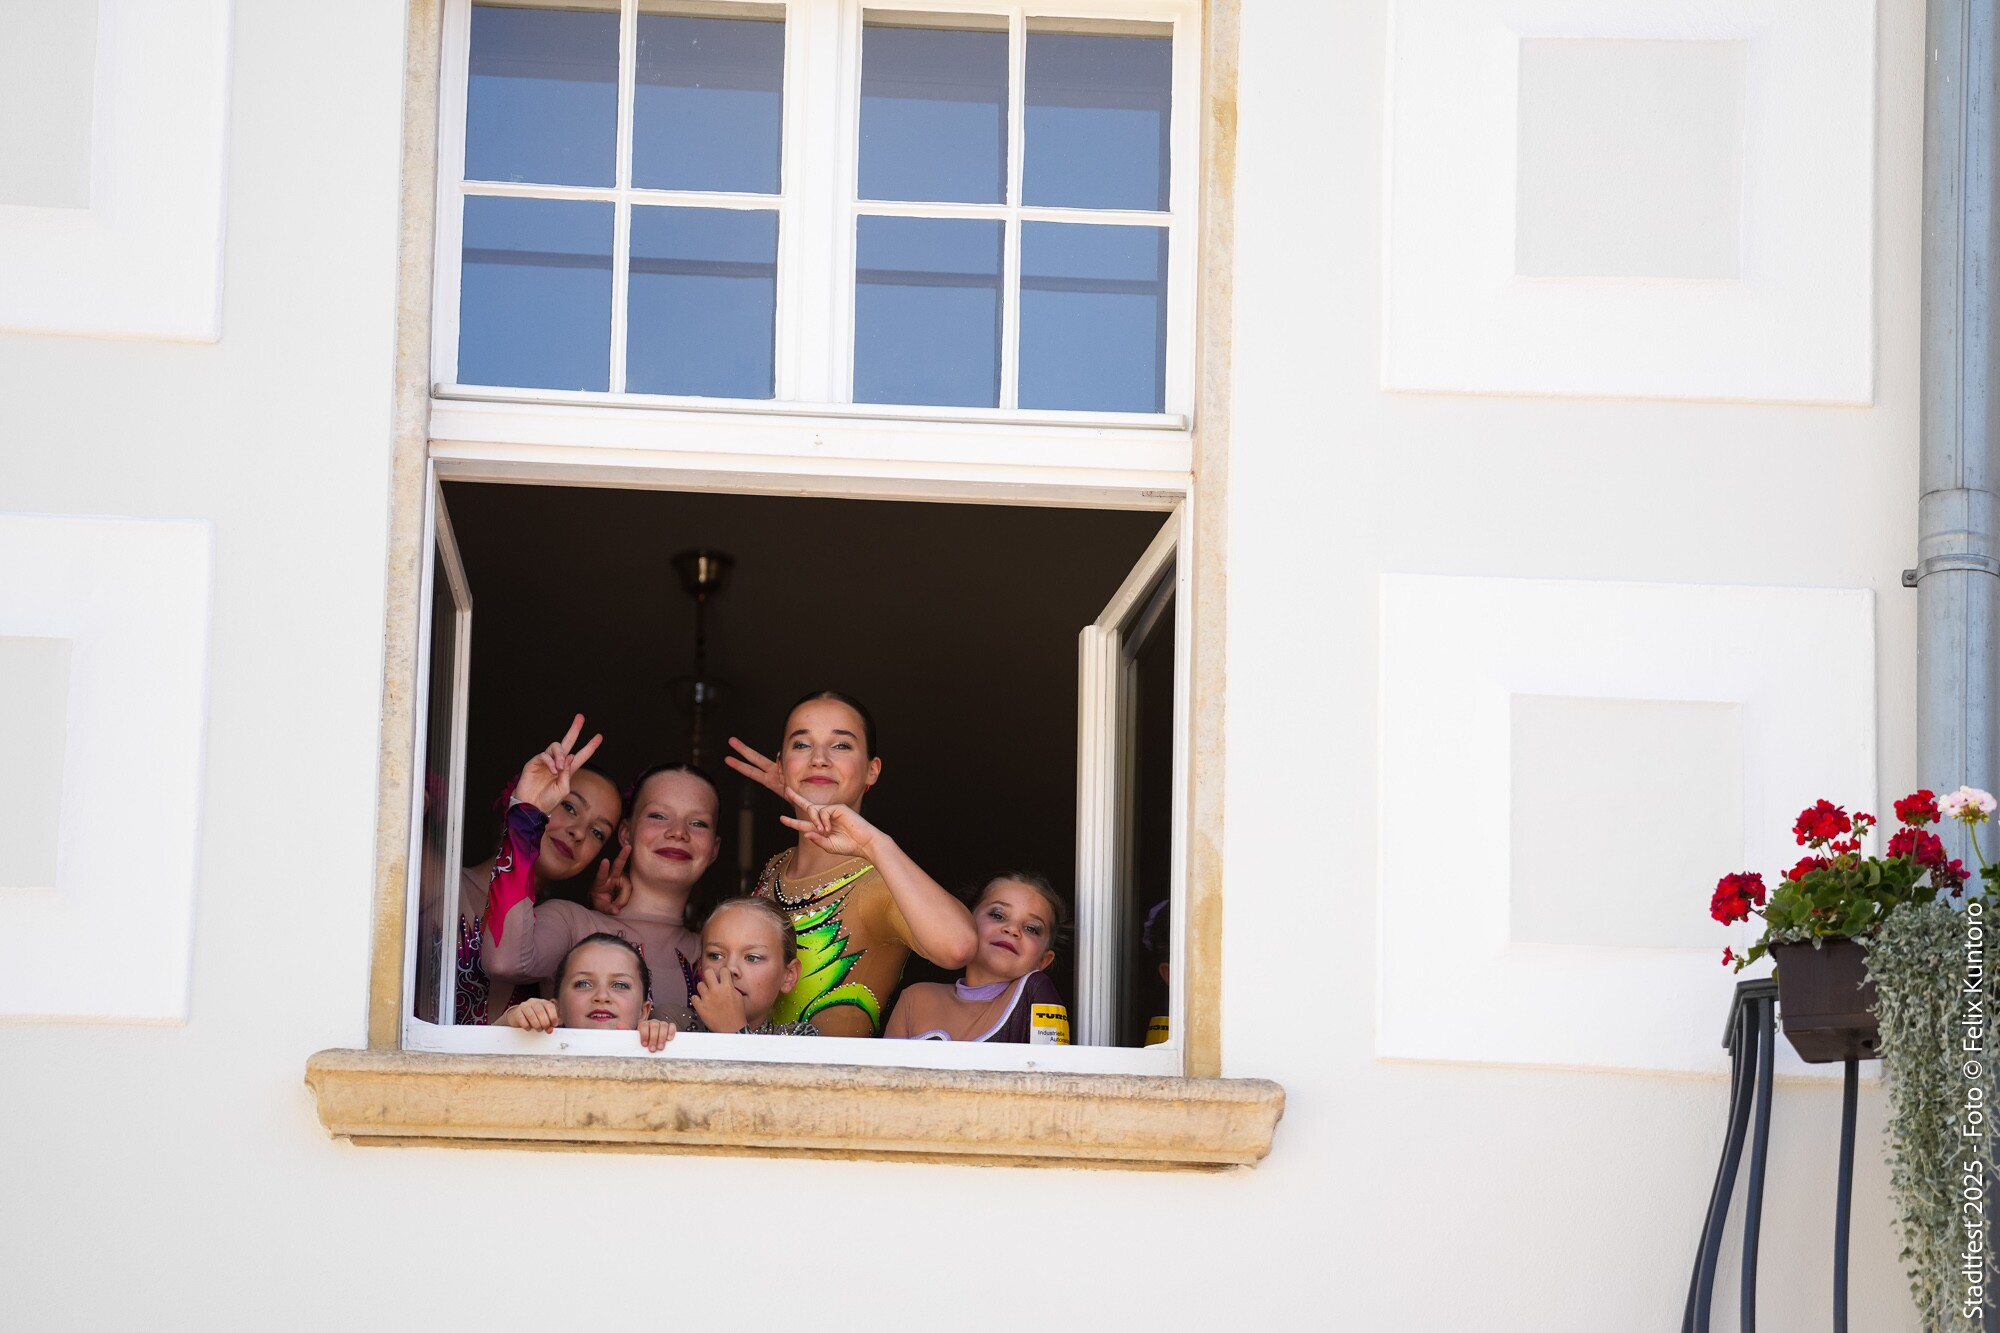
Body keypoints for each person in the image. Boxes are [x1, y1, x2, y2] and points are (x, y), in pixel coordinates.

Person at [725, 690, 975, 1036]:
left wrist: (874, 843)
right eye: (802, 745)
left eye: (841, 745)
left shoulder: (880, 882)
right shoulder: (775, 867)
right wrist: (803, 792)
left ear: (872, 771)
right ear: (780, 766)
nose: (819, 759)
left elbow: (958, 947)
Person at [483, 717, 719, 1022]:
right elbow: (503, 962)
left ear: (714, 849)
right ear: (626, 833)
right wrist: (526, 815)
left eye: (698, 823)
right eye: (658, 816)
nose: (678, 832)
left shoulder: (718, 953)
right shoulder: (571, 923)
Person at [447, 715, 623, 1024]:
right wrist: (526, 813)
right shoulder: (438, 884)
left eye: (597, 832)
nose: (579, 832)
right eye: (569, 807)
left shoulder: (563, 929)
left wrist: (604, 918)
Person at [884, 874, 1071, 1044]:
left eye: (1031, 928)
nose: (1012, 929)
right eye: (997, 915)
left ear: (1043, 960)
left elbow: (1051, 1068)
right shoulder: (916, 999)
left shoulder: (1034, 997)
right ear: (965, 922)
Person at [496, 933, 677, 1052]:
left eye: (620, 985)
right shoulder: (538, 1046)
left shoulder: (656, 1043)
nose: (602, 996)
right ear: (558, 1010)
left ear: (643, 1012)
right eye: (583, 984)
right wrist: (513, 1019)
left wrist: (660, 1038)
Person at [686, 896, 819, 1036]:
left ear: (789, 976)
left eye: (752, 958)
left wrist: (734, 1029)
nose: (730, 968)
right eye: (716, 955)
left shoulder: (801, 1039)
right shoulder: (676, 1025)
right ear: (700, 966)